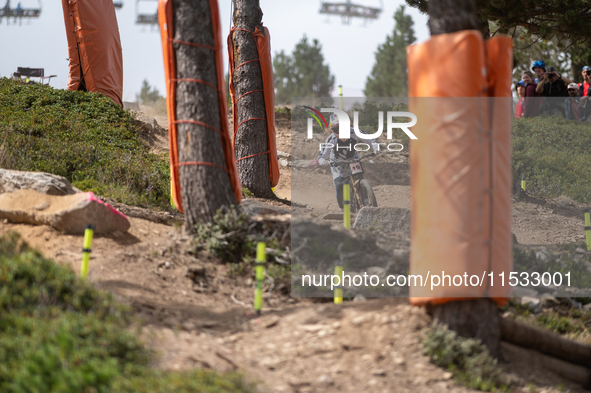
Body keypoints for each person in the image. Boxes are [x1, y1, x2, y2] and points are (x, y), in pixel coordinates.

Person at [316, 113, 380, 211]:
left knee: (359, 176)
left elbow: (371, 139)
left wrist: (376, 147)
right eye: (337, 129)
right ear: (332, 130)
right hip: (337, 161)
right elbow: (322, 155)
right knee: (340, 184)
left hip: (353, 158)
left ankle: (366, 201)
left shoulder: (355, 132)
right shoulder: (331, 139)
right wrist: (322, 161)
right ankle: (343, 210)